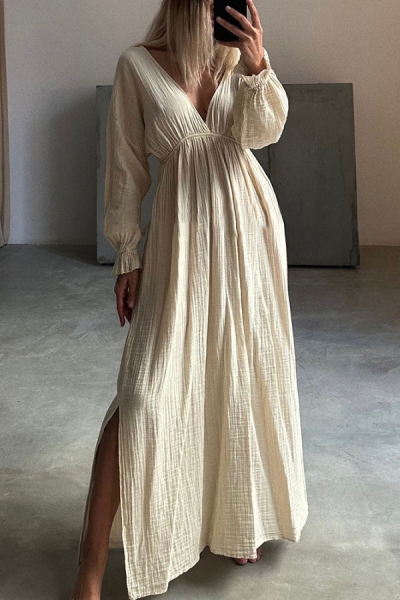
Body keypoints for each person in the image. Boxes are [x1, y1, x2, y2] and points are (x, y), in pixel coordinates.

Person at [70, 0, 308, 598]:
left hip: (248, 234)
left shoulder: (234, 59)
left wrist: (257, 63)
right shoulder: (138, 65)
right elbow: (126, 168)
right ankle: (89, 570)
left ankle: (236, 519)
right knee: (145, 394)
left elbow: (262, 132)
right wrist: (128, 255)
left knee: (240, 376)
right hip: (181, 243)